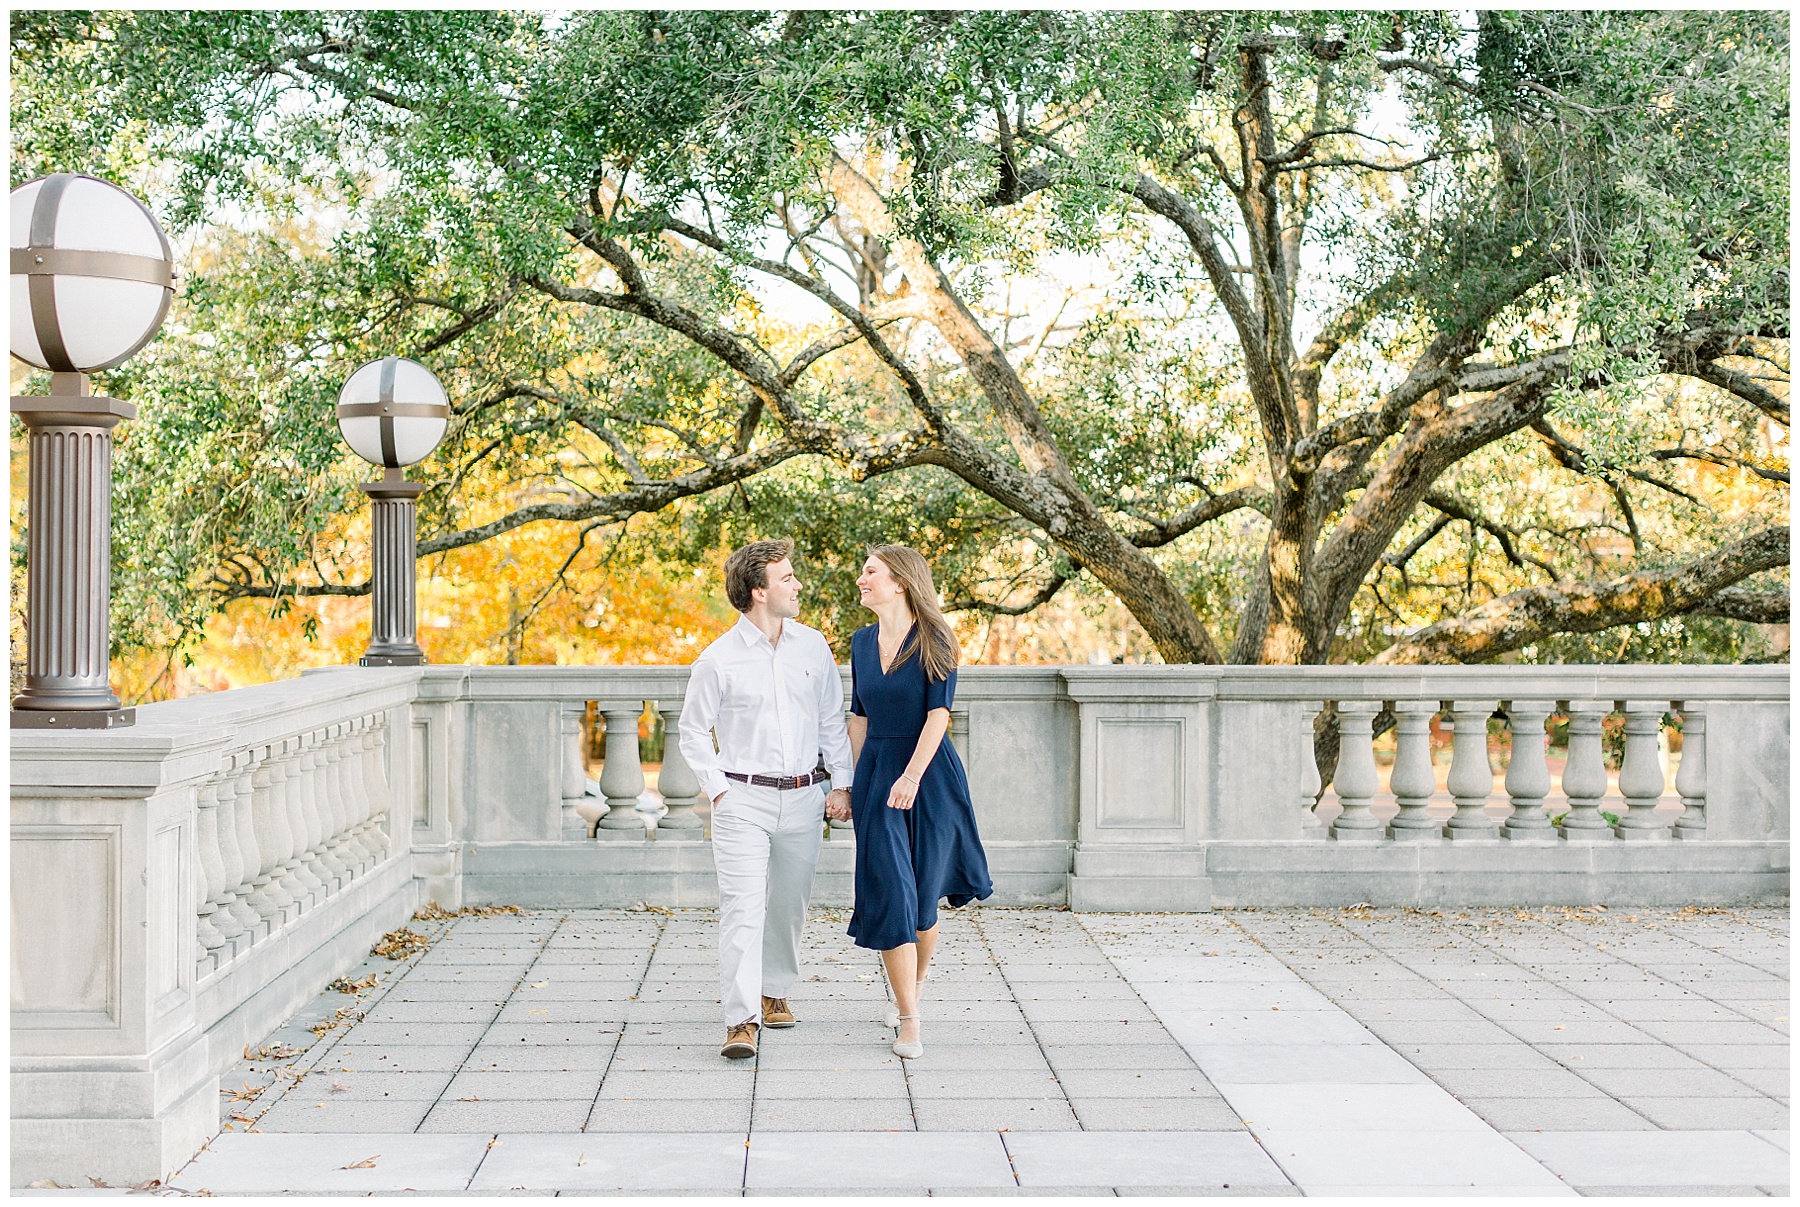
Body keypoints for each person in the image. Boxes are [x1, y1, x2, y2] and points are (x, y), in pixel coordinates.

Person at [679, 538, 854, 1060]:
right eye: (787, 578)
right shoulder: (717, 660)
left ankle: (774, 989)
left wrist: (840, 784)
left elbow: (830, 723)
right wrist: (720, 792)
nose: (797, 584)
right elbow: (692, 732)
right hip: (742, 801)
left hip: (804, 797)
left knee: (788, 904)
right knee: (743, 907)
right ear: (758, 591)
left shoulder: (813, 646)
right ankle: (740, 1020)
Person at [844, 545, 993, 1060]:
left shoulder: (936, 638)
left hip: (929, 778)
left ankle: (914, 985)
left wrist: (910, 776)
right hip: (877, 778)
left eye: (870, 571)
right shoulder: (861, 644)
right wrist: (855, 783)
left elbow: (938, 717)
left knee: (923, 903)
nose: (860, 579)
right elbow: (859, 717)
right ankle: (910, 1019)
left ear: (901, 581)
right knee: (892, 894)